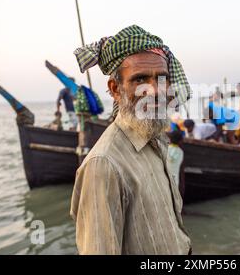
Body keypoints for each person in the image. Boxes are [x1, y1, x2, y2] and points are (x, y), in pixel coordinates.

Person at [70, 25, 191, 255]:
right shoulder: (103, 165)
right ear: (116, 89)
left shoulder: (157, 141)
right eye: (140, 79)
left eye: (162, 79)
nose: (155, 91)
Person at [167, 130, 184, 194]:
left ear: (170, 139)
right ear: (180, 141)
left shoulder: (165, 149)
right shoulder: (181, 152)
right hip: (174, 183)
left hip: (163, 180)